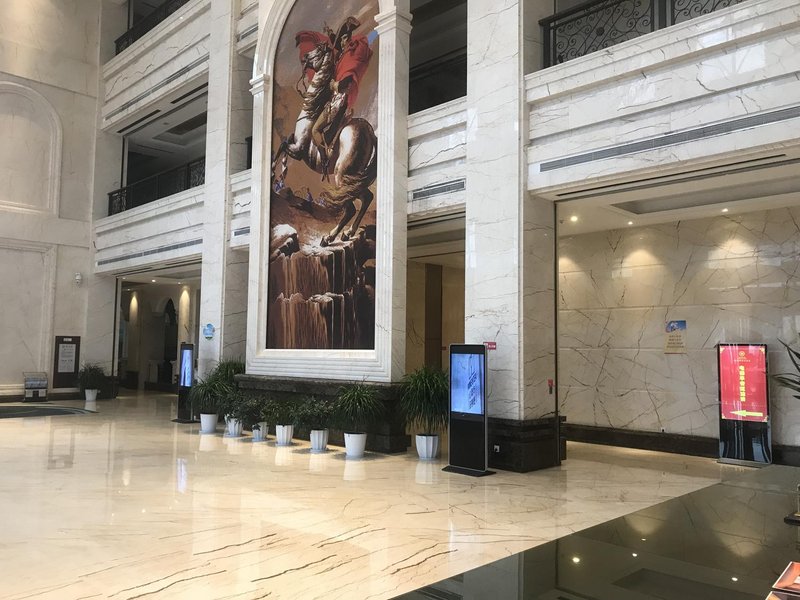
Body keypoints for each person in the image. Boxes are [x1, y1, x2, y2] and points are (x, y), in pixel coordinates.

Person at [296, 17, 374, 180]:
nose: (342, 42)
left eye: (345, 39)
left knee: (315, 130)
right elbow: (337, 47)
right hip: (338, 101)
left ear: (348, 40)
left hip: (338, 101)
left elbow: (345, 83)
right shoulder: (346, 57)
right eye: (342, 39)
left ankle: (325, 160)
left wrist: (333, 84)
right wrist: (331, 34)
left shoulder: (350, 60)